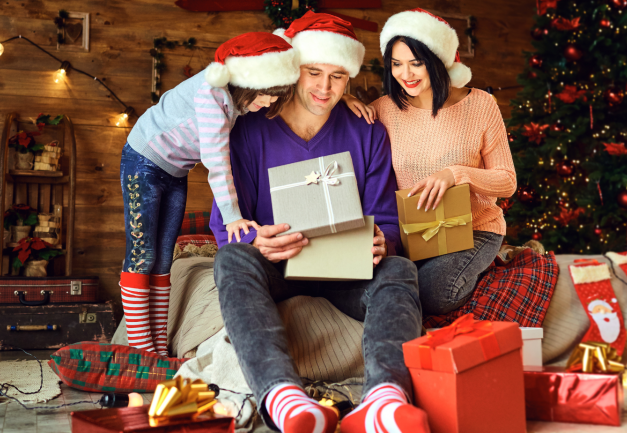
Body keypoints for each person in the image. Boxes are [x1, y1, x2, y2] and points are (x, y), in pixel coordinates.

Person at [210, 12, 430, 433]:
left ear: (349, 79)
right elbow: (227, 225)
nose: (324, 88)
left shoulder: (367, 131)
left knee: (400, 269)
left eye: (338, 76)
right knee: (232, 261)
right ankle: (283, 397)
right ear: (295, 70)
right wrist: (256, 240)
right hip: (279, 265)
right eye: (314, 72)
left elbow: (385, 217)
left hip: (345, 271)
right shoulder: (249, 129)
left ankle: (385, 399)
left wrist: (383, 241)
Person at [119, 32, 301, 355]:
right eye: (266, 94)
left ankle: (159, 349)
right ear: (247, 80)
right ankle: (141, 350)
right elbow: (217, 161)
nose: (270, 102)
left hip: (175, 172)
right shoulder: (211, 96)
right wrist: (233, 217)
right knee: (142, 256)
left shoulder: (240, 101)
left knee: (163, 261)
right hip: (143, 161)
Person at [371, 8, 517, 316]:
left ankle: (497, 258)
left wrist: (456, 174)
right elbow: (338, 120)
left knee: (434, 295)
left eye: (416, 63)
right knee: (389, 289)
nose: (405, 74)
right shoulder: (384, 109)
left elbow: (507, 181)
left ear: (437, 59)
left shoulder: (480, 105)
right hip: (416, 234)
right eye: (396, 64)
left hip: (475, 229)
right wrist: (346, 100)